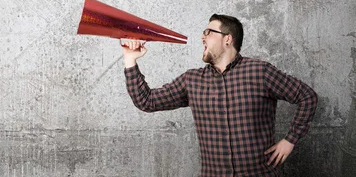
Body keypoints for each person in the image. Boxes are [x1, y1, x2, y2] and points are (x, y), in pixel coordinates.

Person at [121, 14, 318, 177]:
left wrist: (290, 140)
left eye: (208, 32)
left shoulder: (260, 72)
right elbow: (146, 101)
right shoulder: (192, 80)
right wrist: (130, 60)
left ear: (227, 39)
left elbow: (307, 97)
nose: (202, 37)